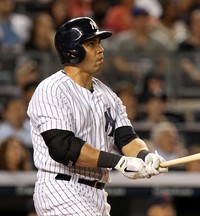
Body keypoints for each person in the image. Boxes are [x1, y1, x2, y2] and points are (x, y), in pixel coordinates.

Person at [27, 17, 168, 216]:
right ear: (73, 51)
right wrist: (119, 162)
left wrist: (146, 156)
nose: (100, 50)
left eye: (99, 43)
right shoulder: (52, 89)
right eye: (91, 44)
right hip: (61, 188)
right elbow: (63, 147)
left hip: (97, 194)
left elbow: (126, 138)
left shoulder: (108, 96)